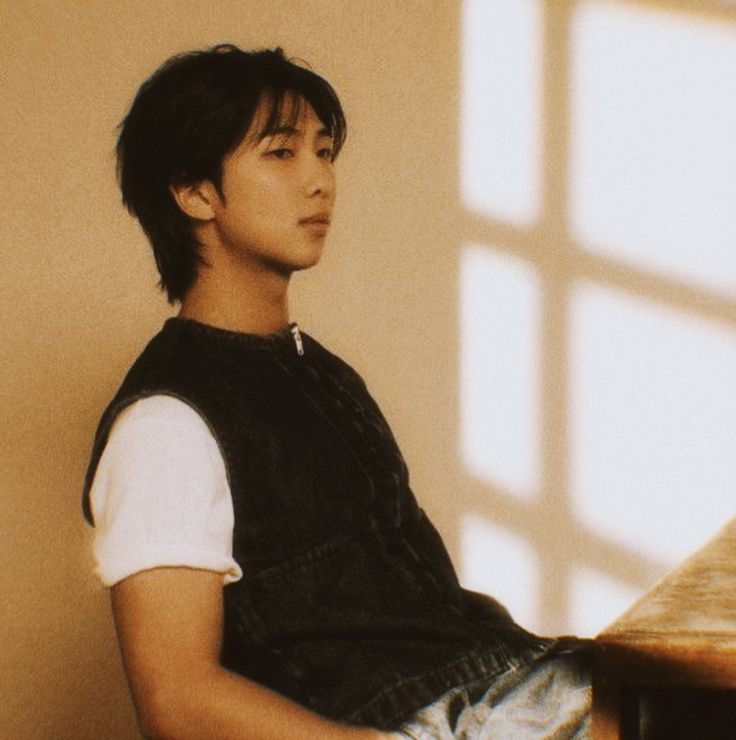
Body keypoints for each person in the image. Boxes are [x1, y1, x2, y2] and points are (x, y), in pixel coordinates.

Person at [83, 44, 591, 739]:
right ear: (194, 191)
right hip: (425, 726)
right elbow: (178, 699)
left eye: (324, 152)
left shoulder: (316, 370)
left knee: (691, 670)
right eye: (282, 153)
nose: (320, 180)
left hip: (504, 682)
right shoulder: (166, 422)